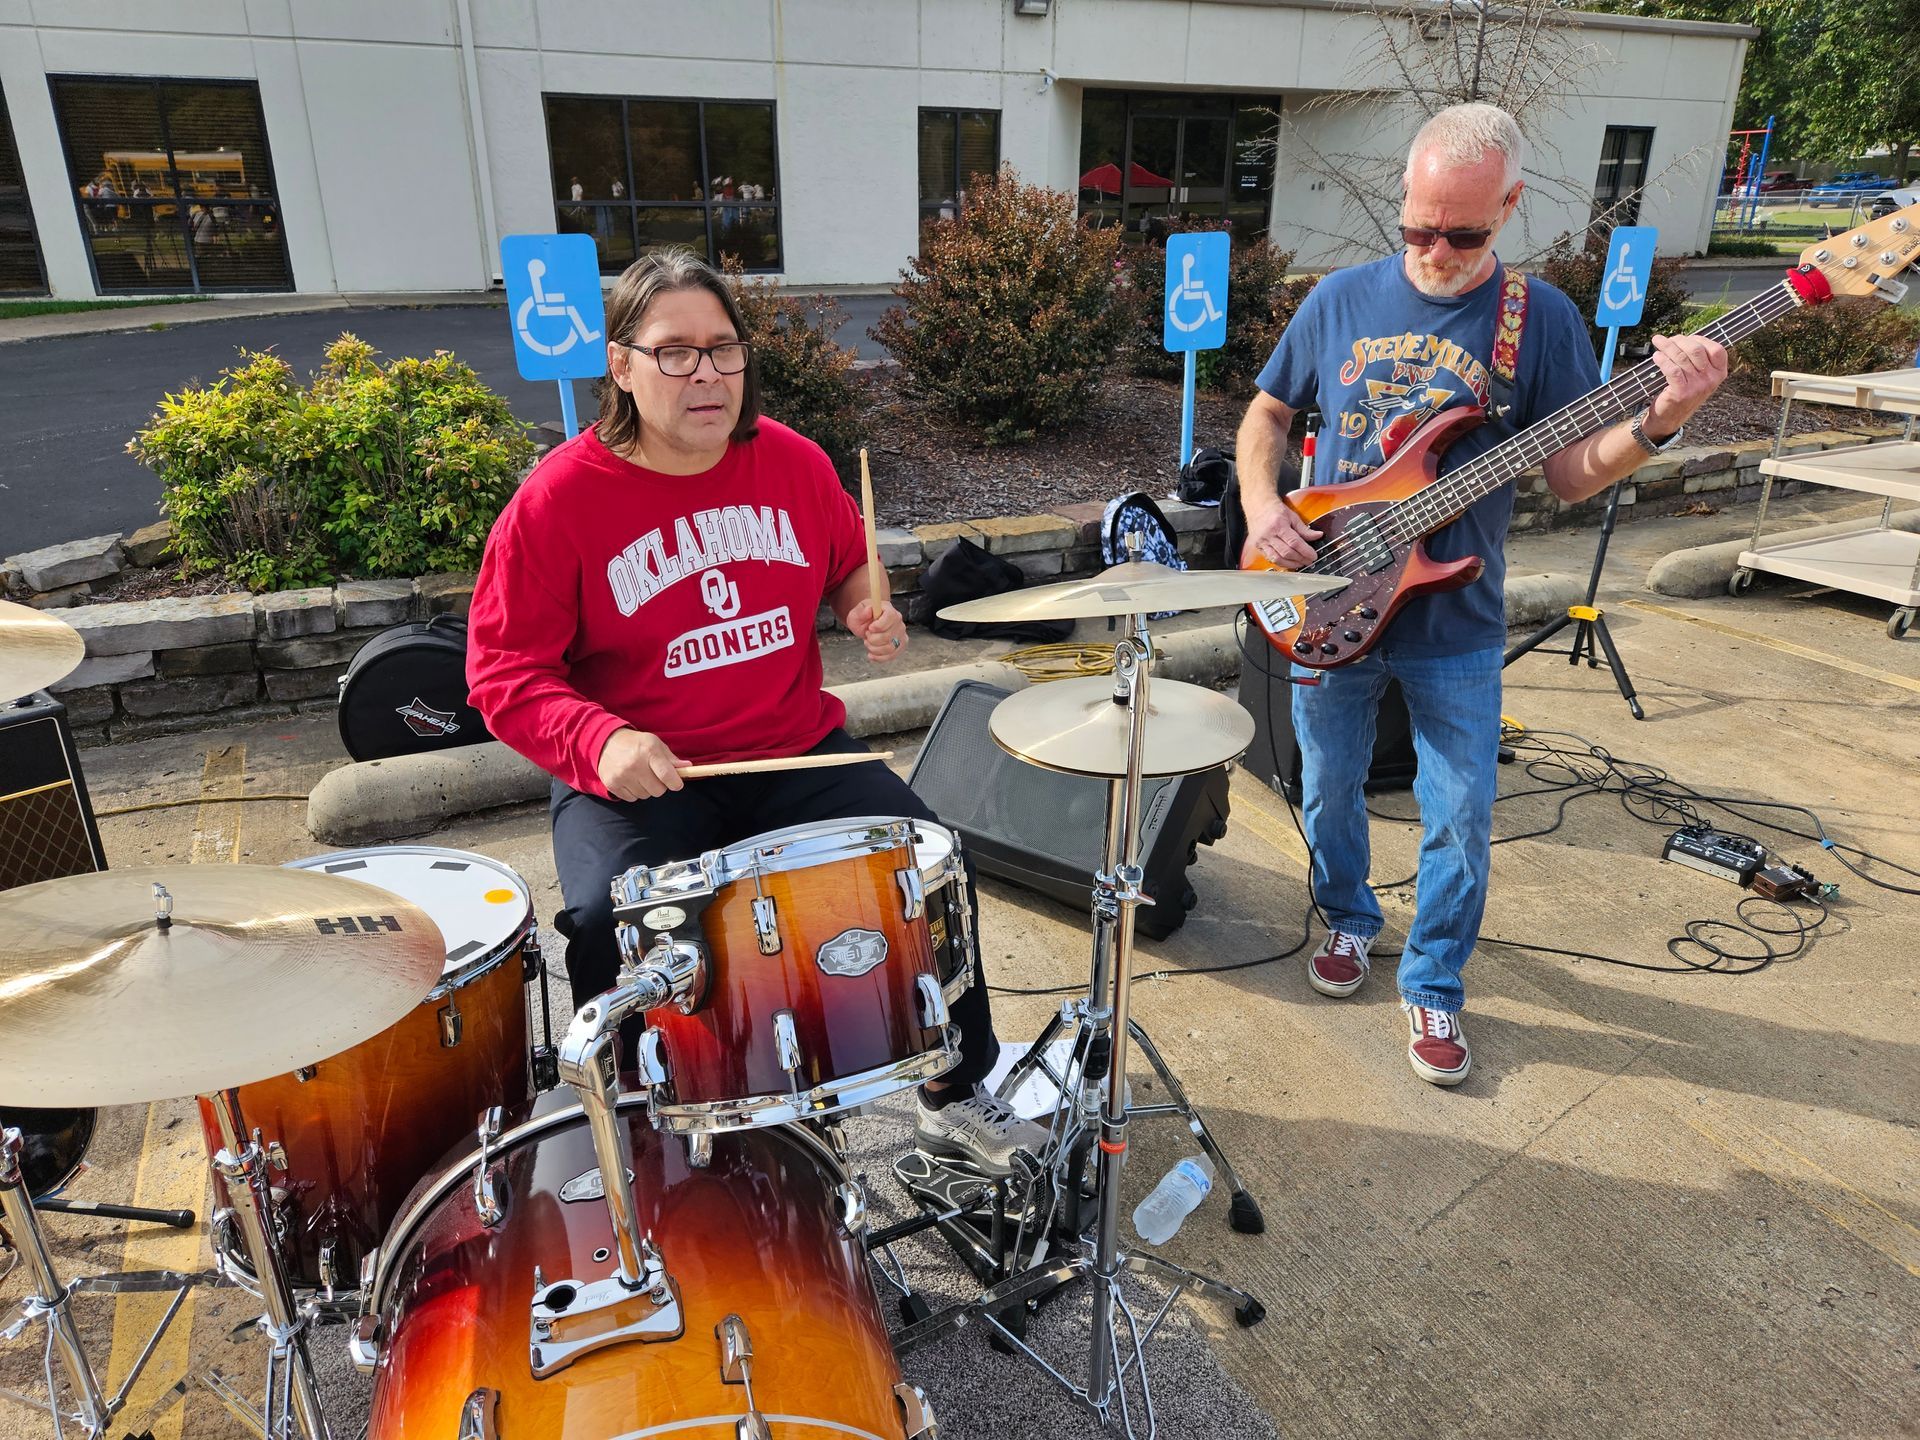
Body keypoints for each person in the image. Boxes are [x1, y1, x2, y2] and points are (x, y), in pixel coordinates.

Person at [467, 249, 1046, 1176]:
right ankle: (644, 1135)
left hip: (792, 748)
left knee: (931, 860)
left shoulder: (793, 460)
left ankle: (954, 1090)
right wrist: (598, 737)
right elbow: (500, 672)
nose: (706, 373)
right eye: (675, 352)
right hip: (641, 776)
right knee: (599, 923)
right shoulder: (556, 503)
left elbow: (847, 560)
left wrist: (866, 601)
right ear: (620, 365)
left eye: (723, 349)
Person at [1235, 102, 1727, 1086]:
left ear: (1511, 206)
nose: (1437, 250)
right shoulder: (1338, 297)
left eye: (1464, 233)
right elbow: (1268, 411)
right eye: (1418, 227)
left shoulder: (1536, 319)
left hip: (1454, 608)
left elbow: (1574, 472)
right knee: (1327, 785)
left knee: (1459, 809)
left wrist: (1664, 420)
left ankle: (1435, 980)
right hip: (1331, 586)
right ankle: (1345, 919)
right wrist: (1260, 505)